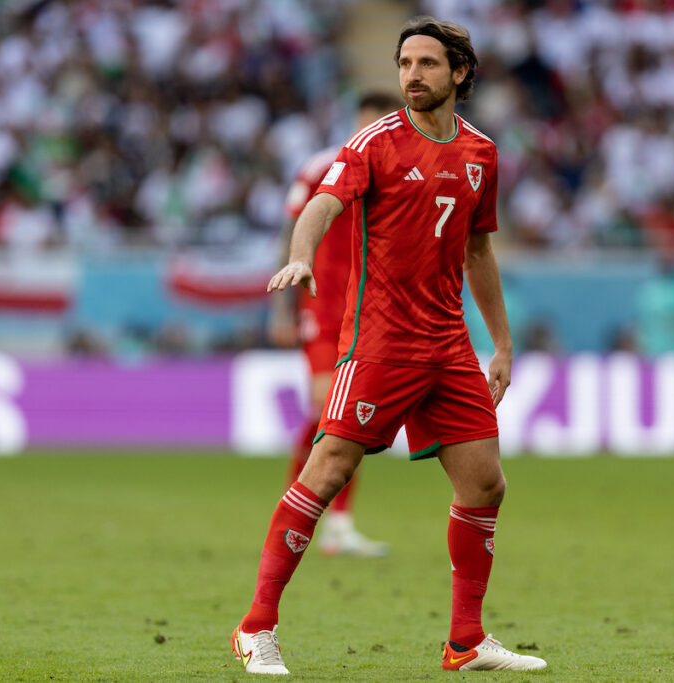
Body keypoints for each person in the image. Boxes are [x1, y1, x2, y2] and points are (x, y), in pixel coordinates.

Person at [232, 16, 547, 675]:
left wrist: (504, 344)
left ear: (459, 72)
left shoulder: (481, 154)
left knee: (486, 483)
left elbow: (479, 249)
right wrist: (300, 256)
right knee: (328, 468)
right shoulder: (375, 142)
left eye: (428, 63)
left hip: (451, 346)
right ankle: (256, 625)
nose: (412, 75)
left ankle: (466, 640)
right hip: (379, 344)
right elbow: (321, 203)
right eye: (405, 63)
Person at [268, 92, 405, 558]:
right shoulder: (320, 168)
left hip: (370, 311)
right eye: (369, 120)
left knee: (346, 416)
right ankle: (312, 514)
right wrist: (281, 308)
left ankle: (327, 519)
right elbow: (290, 233)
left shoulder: (402, 172)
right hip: (321, 309)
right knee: (330, 408)